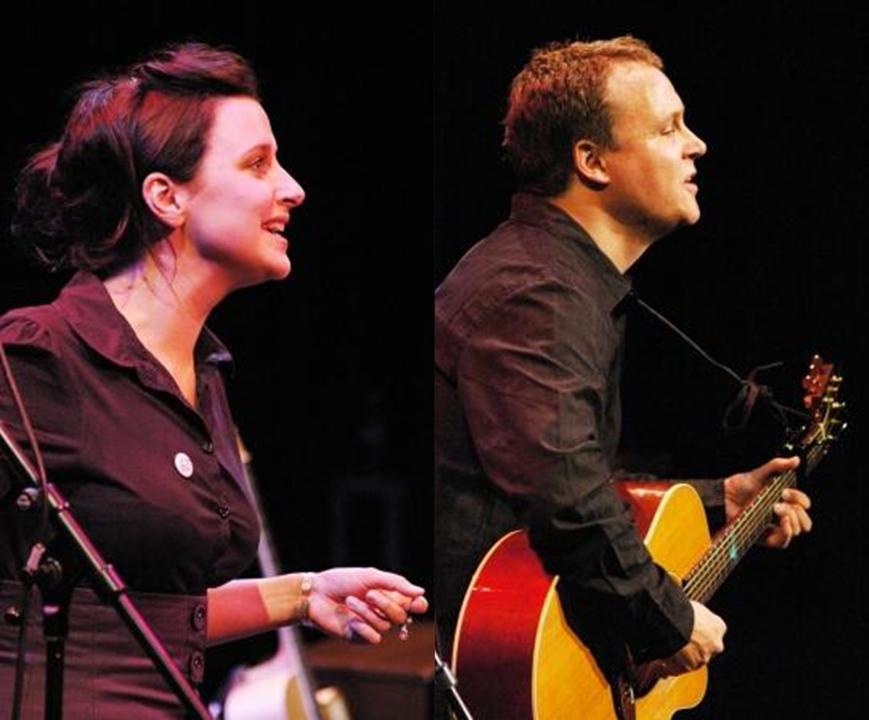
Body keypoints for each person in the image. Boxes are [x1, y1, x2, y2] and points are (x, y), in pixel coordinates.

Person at [0, 43, 427, 716]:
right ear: (166, 197)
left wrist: (303, 594)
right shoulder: (40, 357)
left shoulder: (204, 374)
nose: (292, 187)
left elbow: (149, 617)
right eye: (258, 164)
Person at [435, 36, 812, 691]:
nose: (696, 145)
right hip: (492, 669)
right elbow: (568, 503)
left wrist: (716, 498)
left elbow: (562, 475)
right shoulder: (537, 292)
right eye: (669, 128)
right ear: (591, 160)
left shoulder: (557, 279)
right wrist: (666, 621)